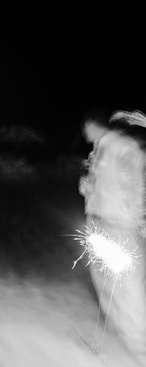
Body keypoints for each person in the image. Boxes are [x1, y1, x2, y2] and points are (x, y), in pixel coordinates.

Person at [79, 109, 146, 365]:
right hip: (98, 223)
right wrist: (87, 184)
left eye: (85, 128)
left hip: (120, 227)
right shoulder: (98, 149)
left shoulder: (125, 148)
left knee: (127, 291)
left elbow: (136, 187)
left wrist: (139, 222)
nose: (84, 134)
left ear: (91, 125)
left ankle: (141, 350)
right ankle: (112, 342)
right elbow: (91, 186)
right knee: (106, 287)